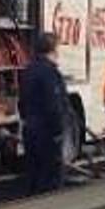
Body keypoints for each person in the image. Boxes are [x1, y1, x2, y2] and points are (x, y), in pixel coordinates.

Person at [17, 33, 70, 194]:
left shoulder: (29, 70)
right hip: (46, 131)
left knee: (34, 173)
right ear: (53, 49)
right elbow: (53, 105)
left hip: (31, 128)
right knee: (51, 176)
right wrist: (58, 131)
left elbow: (22, 102)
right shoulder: (49, 73)